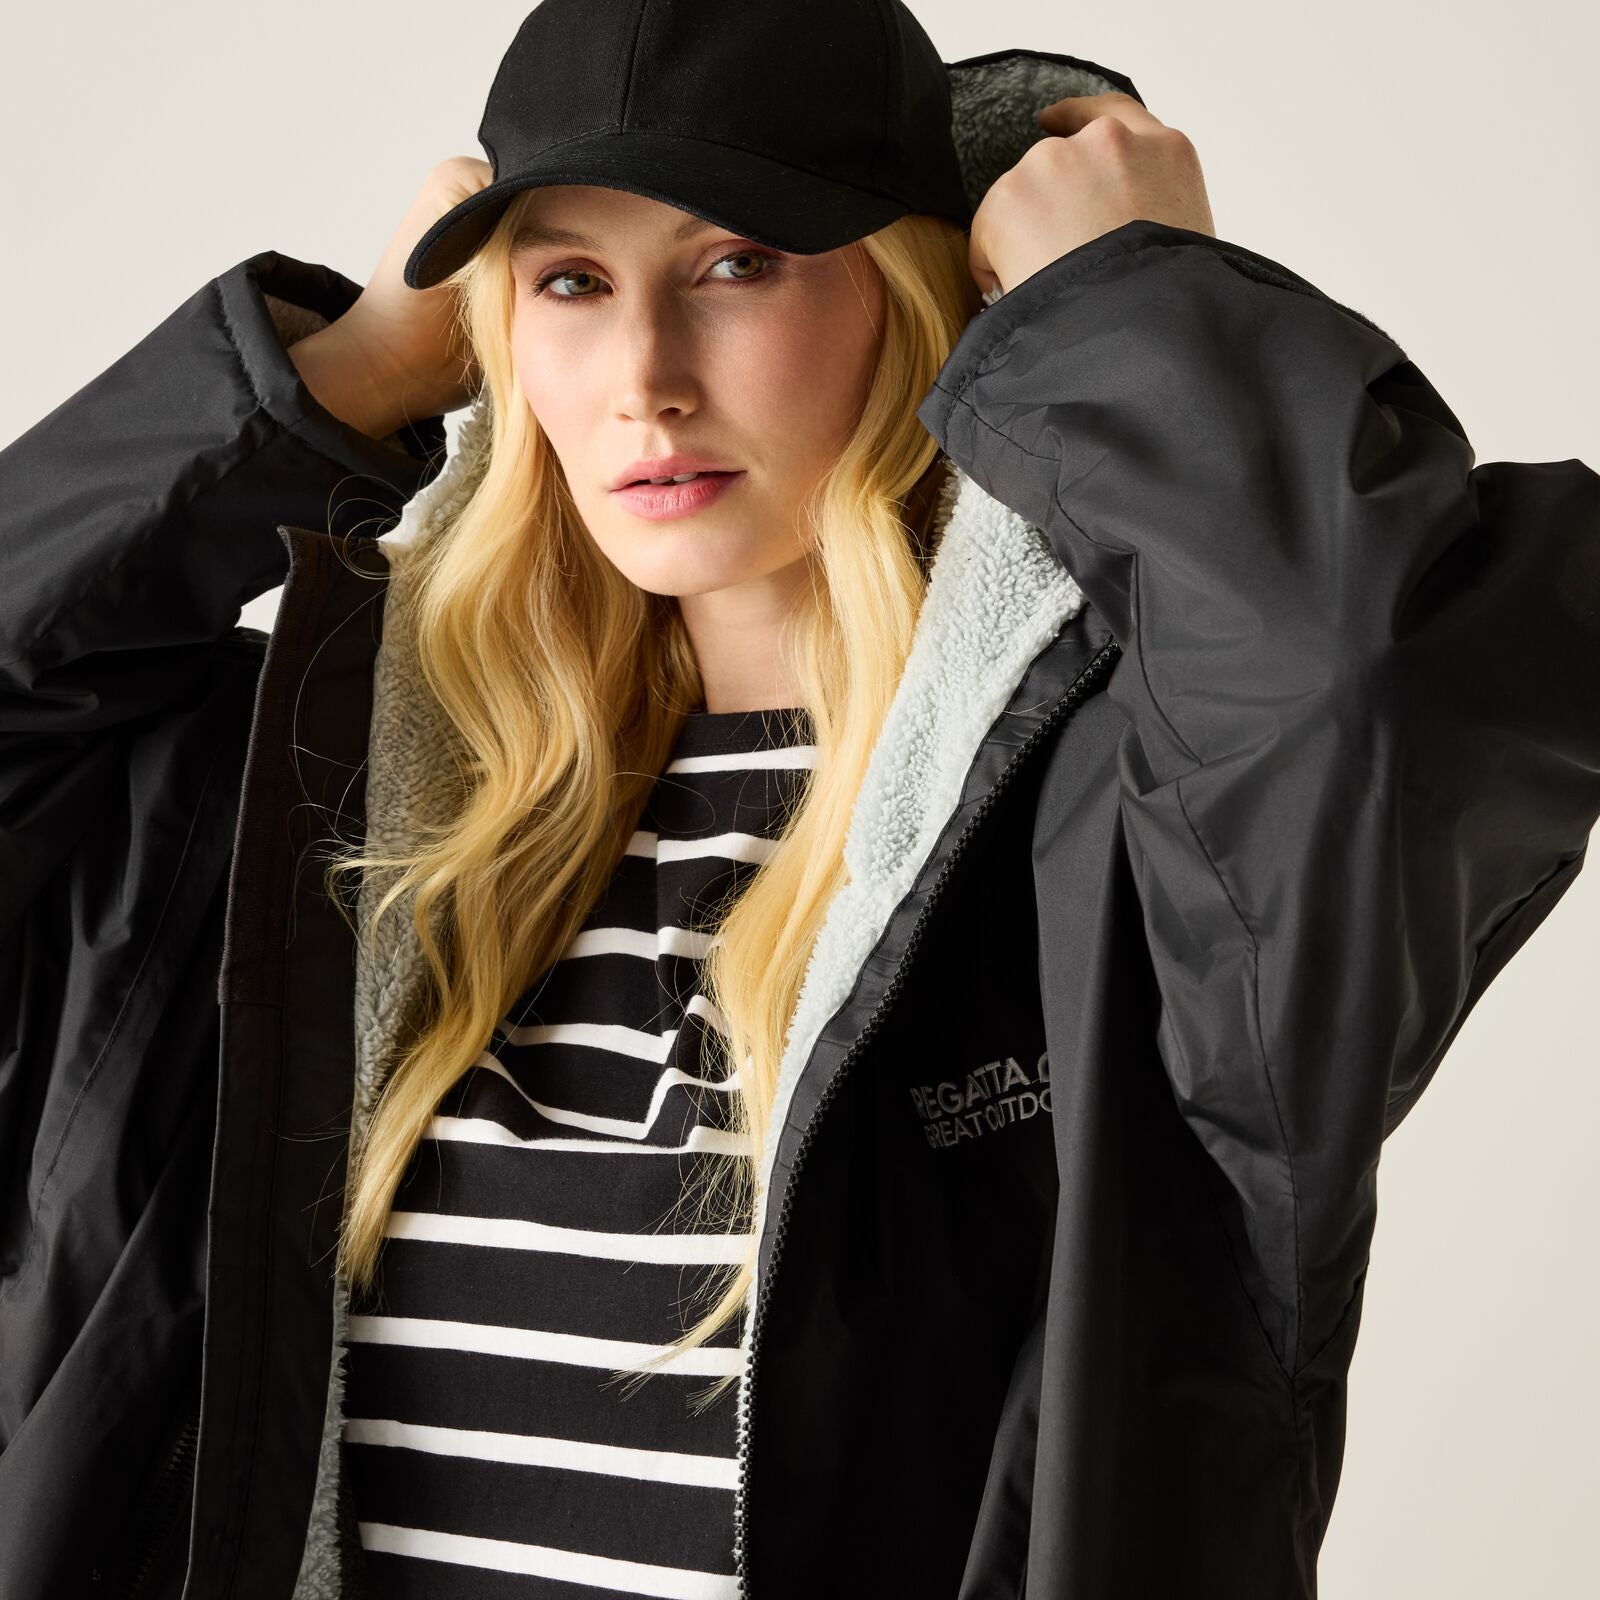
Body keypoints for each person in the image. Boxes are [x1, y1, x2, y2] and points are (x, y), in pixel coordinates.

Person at [2, 2, 1597, 1597]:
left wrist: (1134, 307)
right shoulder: (346, 823)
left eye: (738, 263)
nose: (645, 380)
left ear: (914, 294)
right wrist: (345, 372)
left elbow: (1379, 697)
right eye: (571, 283)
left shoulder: (1117, 826)